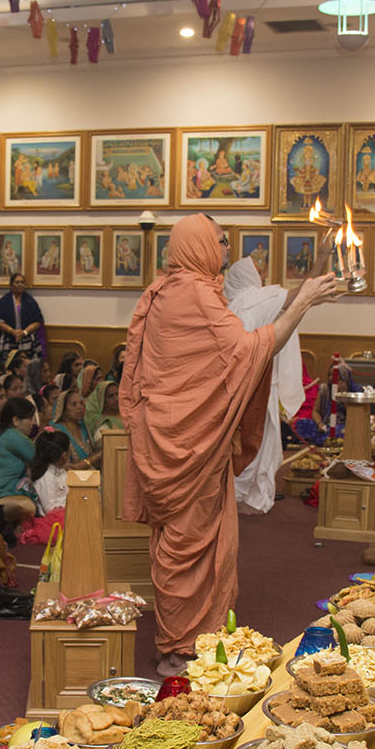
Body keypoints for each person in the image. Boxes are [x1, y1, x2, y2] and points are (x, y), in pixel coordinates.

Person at [122, 214, 337, 677]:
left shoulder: (164, 290)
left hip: (175, 433)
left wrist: (312, 287)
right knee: (188, 541)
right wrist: (305, 305)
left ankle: (187, 642)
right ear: (198, 245)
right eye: (220, 241)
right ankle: (181, 650)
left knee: (180, 541)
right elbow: (251, 350)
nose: (225, 250)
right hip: (189, 443)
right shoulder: (196, 294)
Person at [224, 252, 318, 515]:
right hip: (255, 385)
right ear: (247, 276)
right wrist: (321, 258)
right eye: (257, 271)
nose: (262, 276)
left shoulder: (230, 305)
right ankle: (246, 496)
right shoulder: (254, 300)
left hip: (239, 386)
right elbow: (300, 295)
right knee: (256, 440)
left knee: (244, 440)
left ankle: (241, 496)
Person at [0, 397, 37, 522]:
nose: (33, 423)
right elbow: (40, 458)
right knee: (29, 506)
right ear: (15, 420)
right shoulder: (11, 435)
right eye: (30, 419)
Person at [0, 274, 44, 369]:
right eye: (17, 282)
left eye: (22, 282)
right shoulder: (3, 302)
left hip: (27, 339)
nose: (20, 285)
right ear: (11, 285)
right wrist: (12, 331)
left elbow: (37, 321)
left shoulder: (30, 301)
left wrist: (24, 332)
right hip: (9, 338)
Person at [52, 389, 100, 470]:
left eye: (81, 403)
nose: (80, 407)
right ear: (63, 409)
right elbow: (69, 468)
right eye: (74, 404)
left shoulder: (84, 427)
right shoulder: (56, 431)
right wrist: (95, 458)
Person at [30, 429, 70, 516]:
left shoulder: (61, 471)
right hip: (55, 520)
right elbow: (50, 508)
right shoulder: (46, 476)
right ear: (63, 454)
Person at [84, 379, 124, 444]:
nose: (116, 399)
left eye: (117, 394)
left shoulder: (127, 415)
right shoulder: (104, 423)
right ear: (102, 400)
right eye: (111, 396)